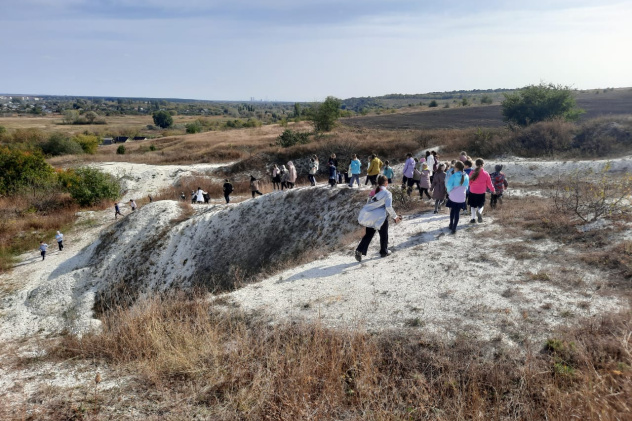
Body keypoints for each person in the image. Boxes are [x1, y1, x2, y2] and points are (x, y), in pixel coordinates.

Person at [355, 175, 401, 261]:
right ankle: (384, 251)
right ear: (386, 183)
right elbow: (388, 207)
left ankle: (359, 250)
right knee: (383, 235)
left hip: (371, 216)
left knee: (368, 234)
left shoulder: (373, 192)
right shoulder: (387, 193)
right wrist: (395, 217)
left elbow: (369, 203)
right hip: (381, 217)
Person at [468, 158, 495, 223]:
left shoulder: (472, 172)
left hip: (472, 191)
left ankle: (473, 219)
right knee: (481, 205)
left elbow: (469, 183)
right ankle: (479, 212)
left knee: (472, 206)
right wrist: (493, 190)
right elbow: (489, 183)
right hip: (481, 192)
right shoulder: (486, 173)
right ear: (483, 164)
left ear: (475, 164)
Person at [446, 161, 469, 234]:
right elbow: (467, 187)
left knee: (452, 210)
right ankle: (454, 228)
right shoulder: (466, 176)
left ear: (457, 168)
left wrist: (449, 192)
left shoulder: (454, 176)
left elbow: (449, 186)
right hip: (461, 197)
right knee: (457, 212)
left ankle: (450, 224)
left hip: (453, 196)